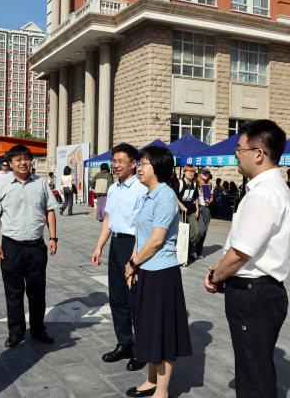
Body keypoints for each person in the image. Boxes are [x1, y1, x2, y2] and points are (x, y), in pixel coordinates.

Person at [204, 119, 290, 398]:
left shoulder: (263, 194)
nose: (236, 155)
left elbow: (240, 253)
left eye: (239, 149)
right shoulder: (274, 189)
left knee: (253, 374)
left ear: (258, 154)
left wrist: (215, 277)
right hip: (261, 292)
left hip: (254, 294)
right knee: (256, 367)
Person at [124, 146, 192, 398]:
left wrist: (132, 263)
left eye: (144, 163)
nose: (139, 168)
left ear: (159, 167)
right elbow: (141, 237)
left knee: (161, 331)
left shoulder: (164, 195)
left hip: (162, 273)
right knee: (149, 328)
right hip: (147, 270)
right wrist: (134, 264)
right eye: (139, 163)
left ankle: (162, 391)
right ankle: (151, 380)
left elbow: (156, 240)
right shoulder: (149, 195)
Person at [0, 144, 59, 348]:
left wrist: (53, 237)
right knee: (13, 292)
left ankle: (38, 329)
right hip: (11, 247)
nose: (23, 163)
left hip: (36, 246)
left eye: (26, 158)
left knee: (37, 291)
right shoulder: (1, 186)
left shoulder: (41, 183)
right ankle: (16, 332)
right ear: (10, 163)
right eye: (18, 159)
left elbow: (50, 210)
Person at [91, 143, 148, 372]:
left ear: (134, 163)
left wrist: (135, 259)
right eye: (114, 161)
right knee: (116, 298)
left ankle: (143, 349)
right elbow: (108, 218)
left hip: (133, 245)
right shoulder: (114, 188)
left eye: (121, 161)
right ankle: (124, 343)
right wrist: (99, 246)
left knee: (134, 298)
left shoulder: (141, 189)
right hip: (116, 244)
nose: (116, 165)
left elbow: (144, 226)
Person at [173, 164, 201, 261]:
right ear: (184, 172)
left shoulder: (194, 184)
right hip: (180, 212)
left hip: (191, 211)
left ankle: (191, 251)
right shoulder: (179, 183)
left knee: (196, 231)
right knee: (181, 231)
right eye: (188, 171)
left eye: (192, 172)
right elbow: (174, 195)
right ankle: (179, 250)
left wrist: (197, 209)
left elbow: (196, 197)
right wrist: (180, 205)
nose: (190, 173)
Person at [195, 166, 213, 258]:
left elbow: (211, 196)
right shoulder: (195, 184)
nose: (206, 175)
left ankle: (199, 251)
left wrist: (210, 201)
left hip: (206, 208)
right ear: (199, 174)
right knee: (201, 230)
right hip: (197, 207)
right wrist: (196, 208)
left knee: (205, 231)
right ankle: (194, 249)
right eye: (204, 173)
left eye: (207, 173)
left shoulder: (209, 184)